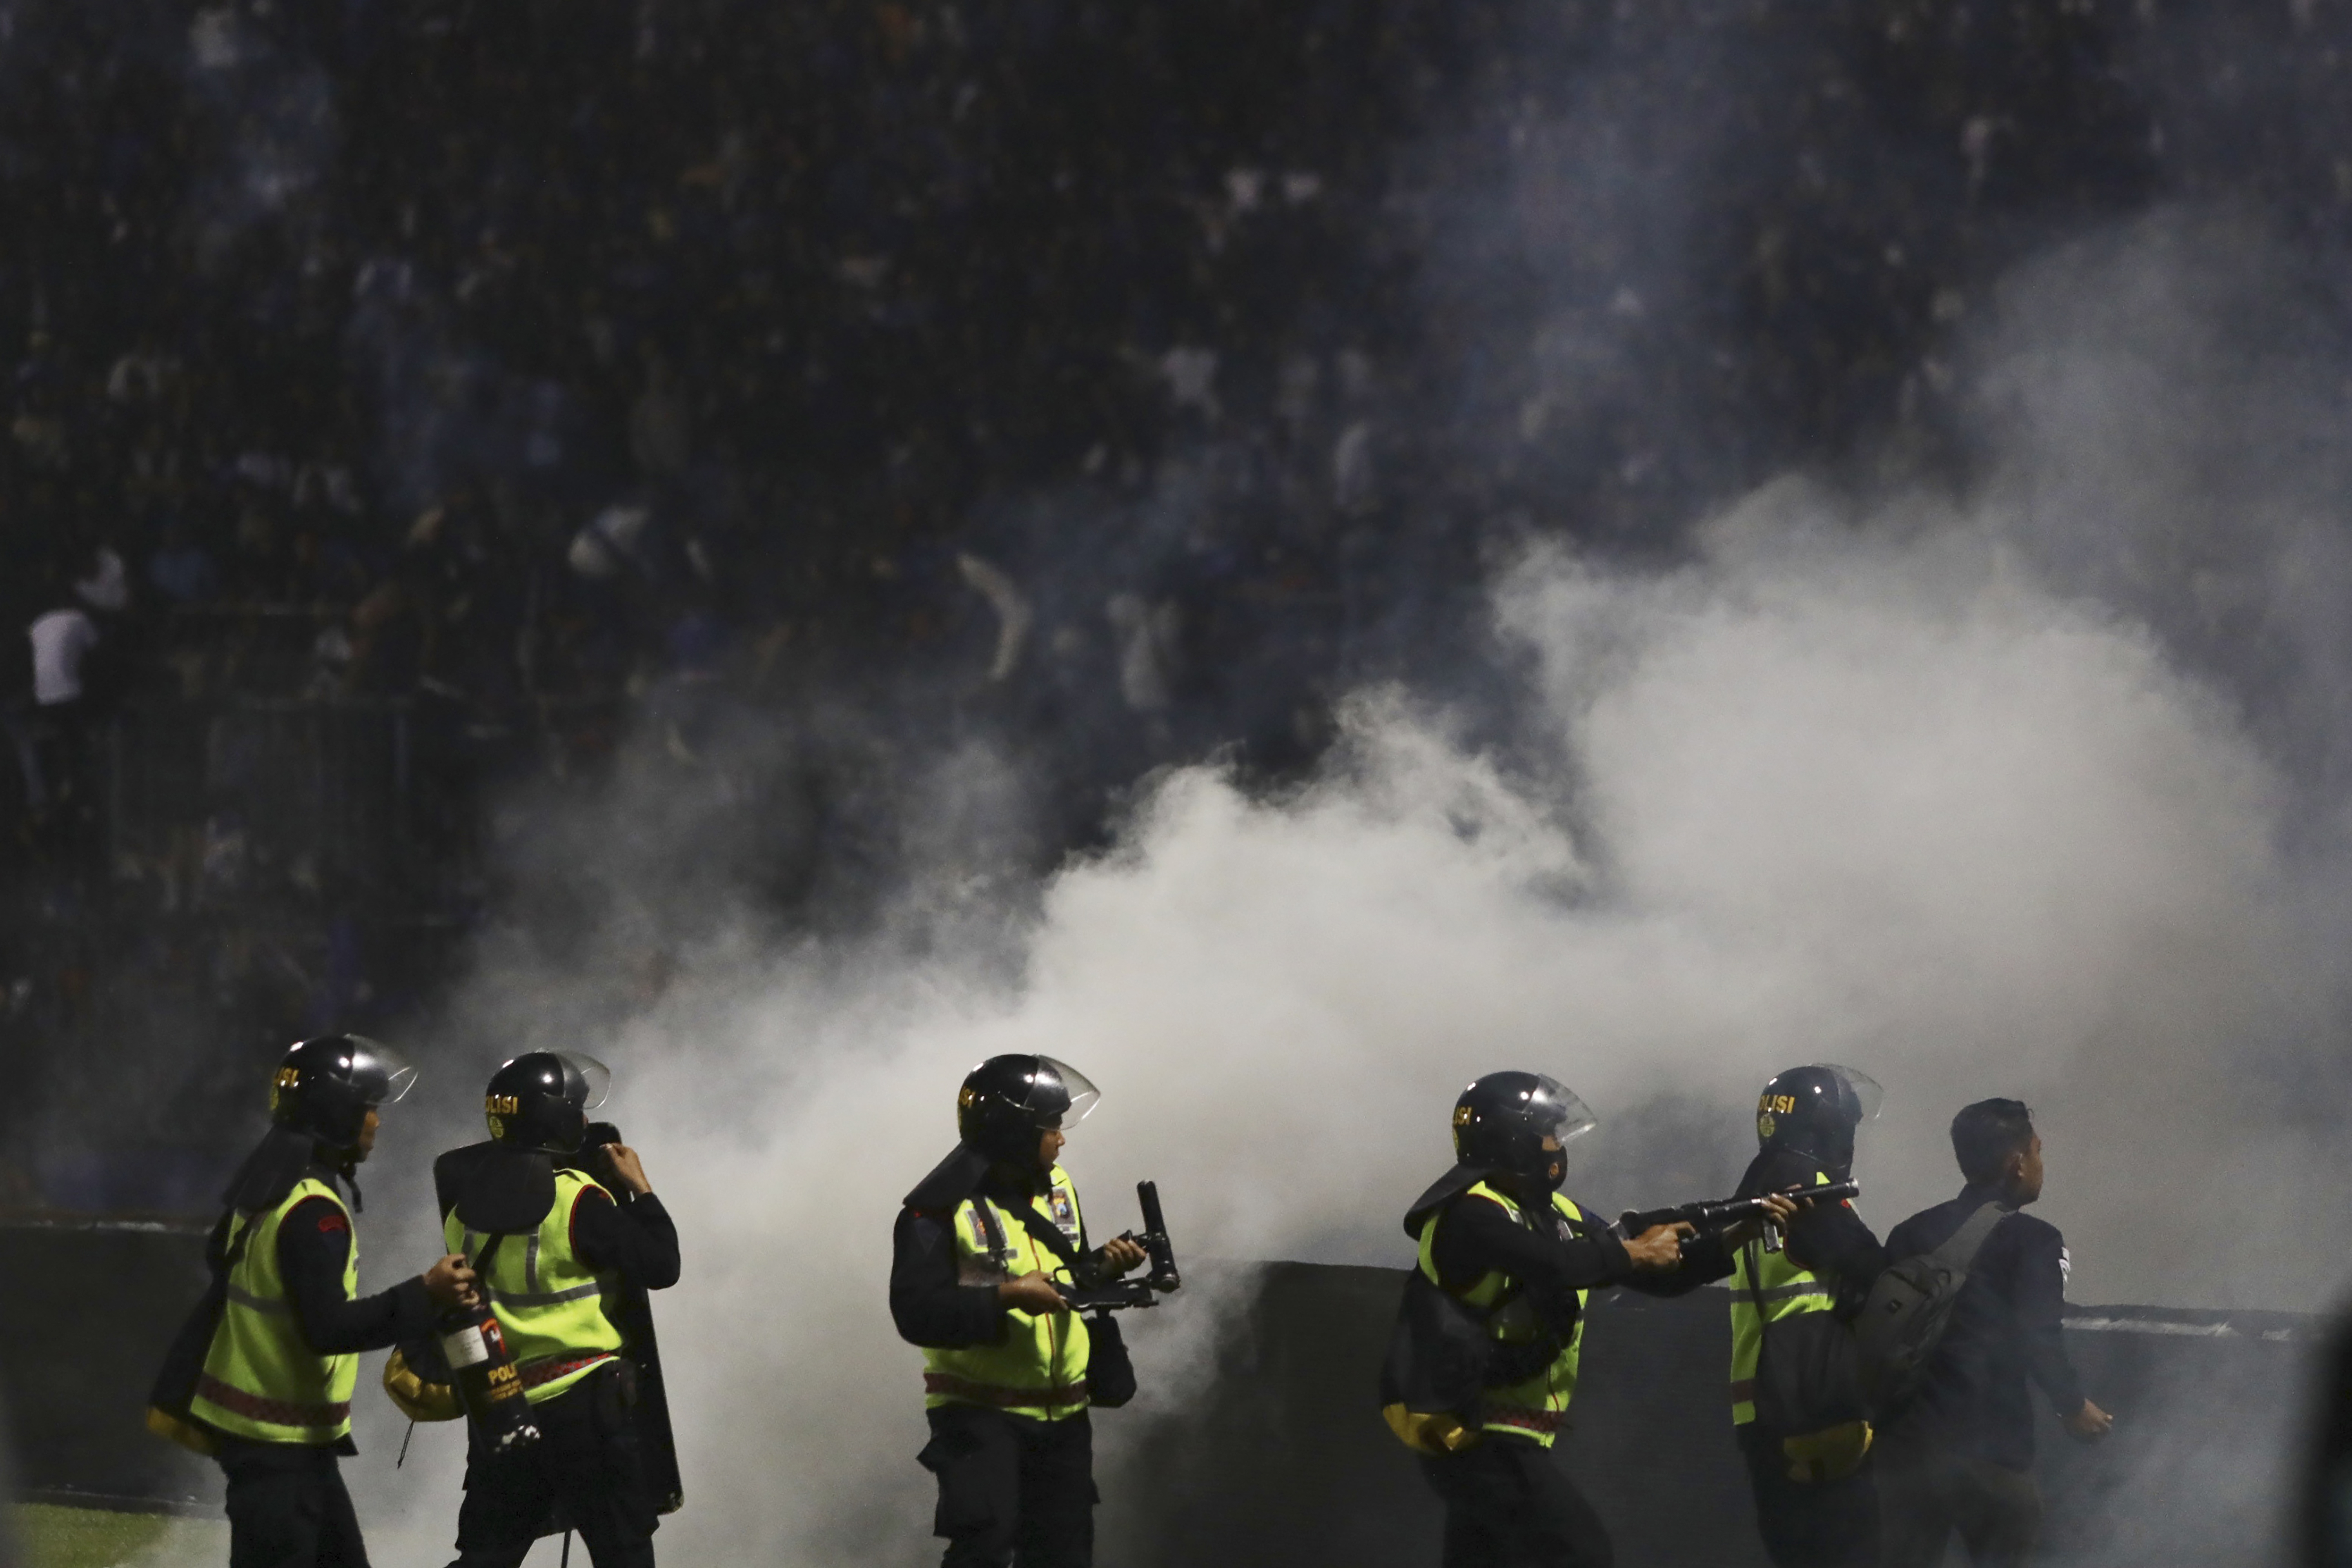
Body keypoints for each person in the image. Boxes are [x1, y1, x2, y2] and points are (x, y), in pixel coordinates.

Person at [147, 1035, 479, 1568]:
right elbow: (329, 1328)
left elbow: (219, 1260)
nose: (377, 1121)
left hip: (274, 1446)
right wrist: (425, 1293)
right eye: (369, 1108)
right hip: (281, 1450)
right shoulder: (313, 1211)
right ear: (338, 1114)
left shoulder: (265, 1187)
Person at [1397, 1071, 1711, 1568]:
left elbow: (1655, 1275)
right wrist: (1632, 1251)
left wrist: (1735, 1233)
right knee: (1578, 1552)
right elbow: (1558, 1265)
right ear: (1513, 1141)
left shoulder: (1556, 1212)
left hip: (1507, 1433)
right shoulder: (1470, 1214)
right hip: (1477, 1431)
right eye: (1548, 1133)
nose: (1557, 1146)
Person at [889, 1054, 1149, 1568]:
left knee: (1064, 1554)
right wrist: (1008, 1296)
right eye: (1051, 1126)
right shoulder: (934, 1212)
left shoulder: (1059, 1189)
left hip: (1064, 1415)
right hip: (979, 1415)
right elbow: (917, 1314)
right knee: (984, 1550)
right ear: (1014, 1132)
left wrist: (1104, 1267)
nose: (1062, 1138)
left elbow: (1064, 1275)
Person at [435, 1051, 680, 1568]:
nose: (585, 1119)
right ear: (558, 1119)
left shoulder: (462, 1210)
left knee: (487, 1557)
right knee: (624, 1553)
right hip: (585, 1411)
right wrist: (641, 1189)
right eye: (578, 1108)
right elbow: (662, 1267)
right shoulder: (578, 1200)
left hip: (504, 1410)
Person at [1877, 1100, 2113, 1568]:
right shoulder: (2034, 1239)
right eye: (2038, 1151)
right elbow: (2039, 1334)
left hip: (1907, 1451)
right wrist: (2073, 1406)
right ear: (2018, 1162)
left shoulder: (1909, 1233)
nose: (2041, 1165)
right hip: (1990, 1449)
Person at [1728, 1065, 1890, 1568]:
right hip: (1812, 1399)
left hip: (1765, 1399)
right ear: (1828, 1128)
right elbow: (1871, 1265)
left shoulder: (1756, 1184)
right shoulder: (1801, 1185)